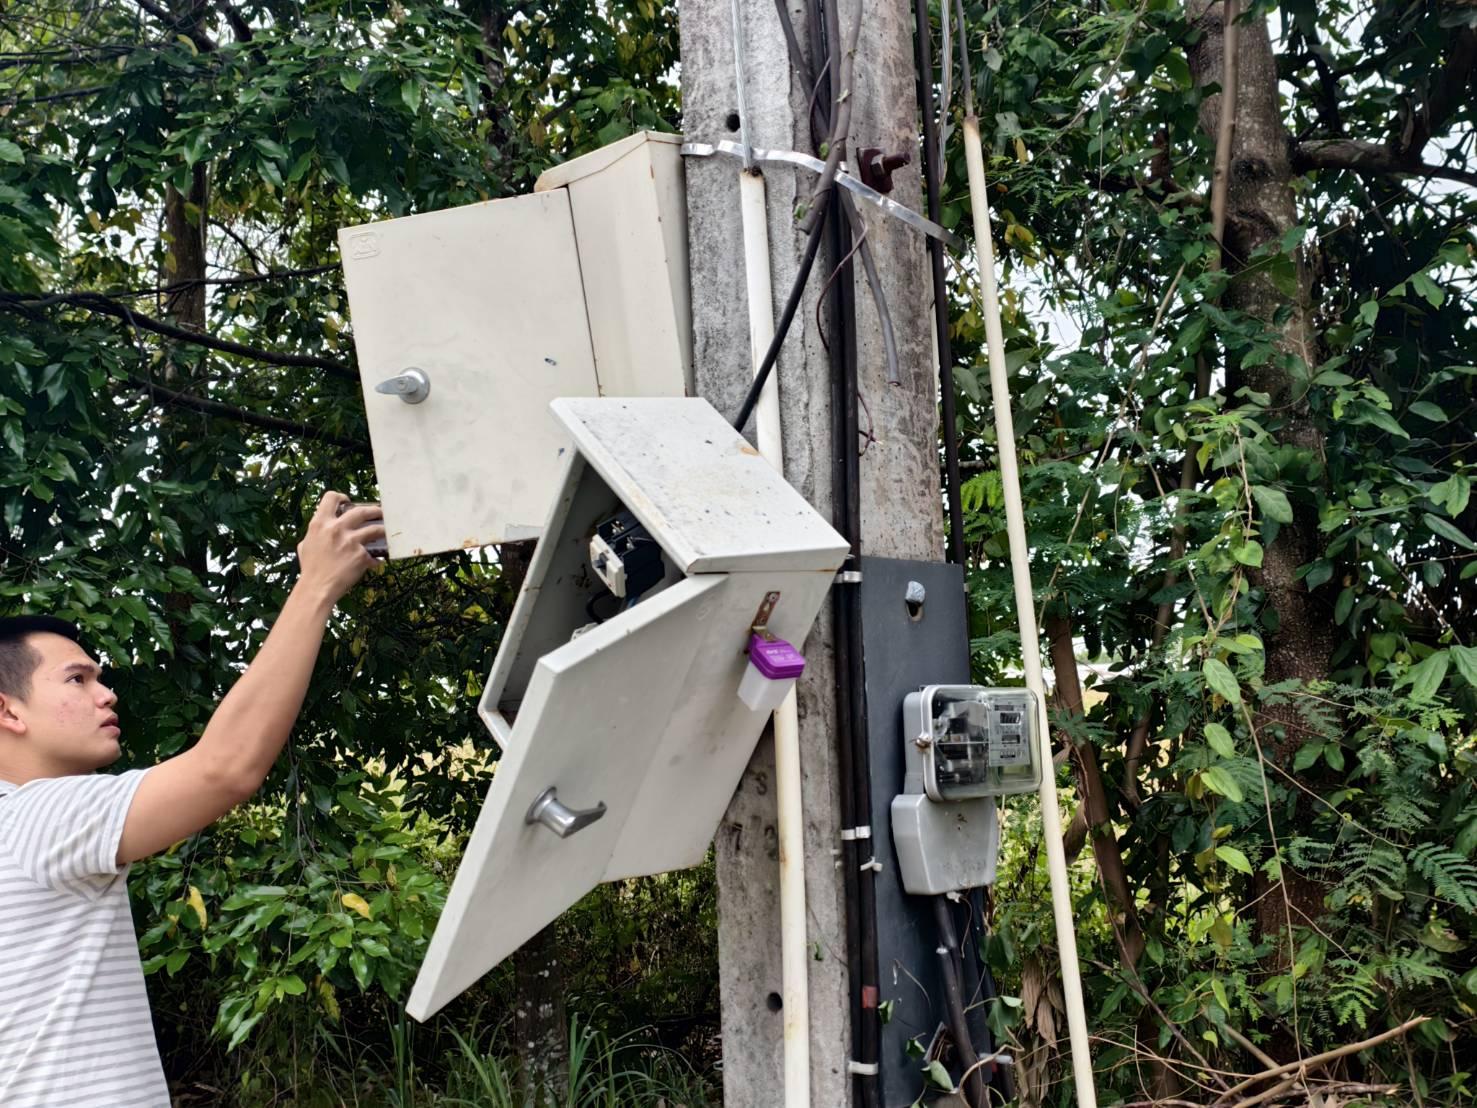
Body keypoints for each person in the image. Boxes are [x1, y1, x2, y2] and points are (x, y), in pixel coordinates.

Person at [0, 492, 384, 1108]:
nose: (107, 695)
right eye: (78, 679)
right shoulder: (32, 818)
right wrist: (316, 587)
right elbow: (226, 768)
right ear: (7, 711)